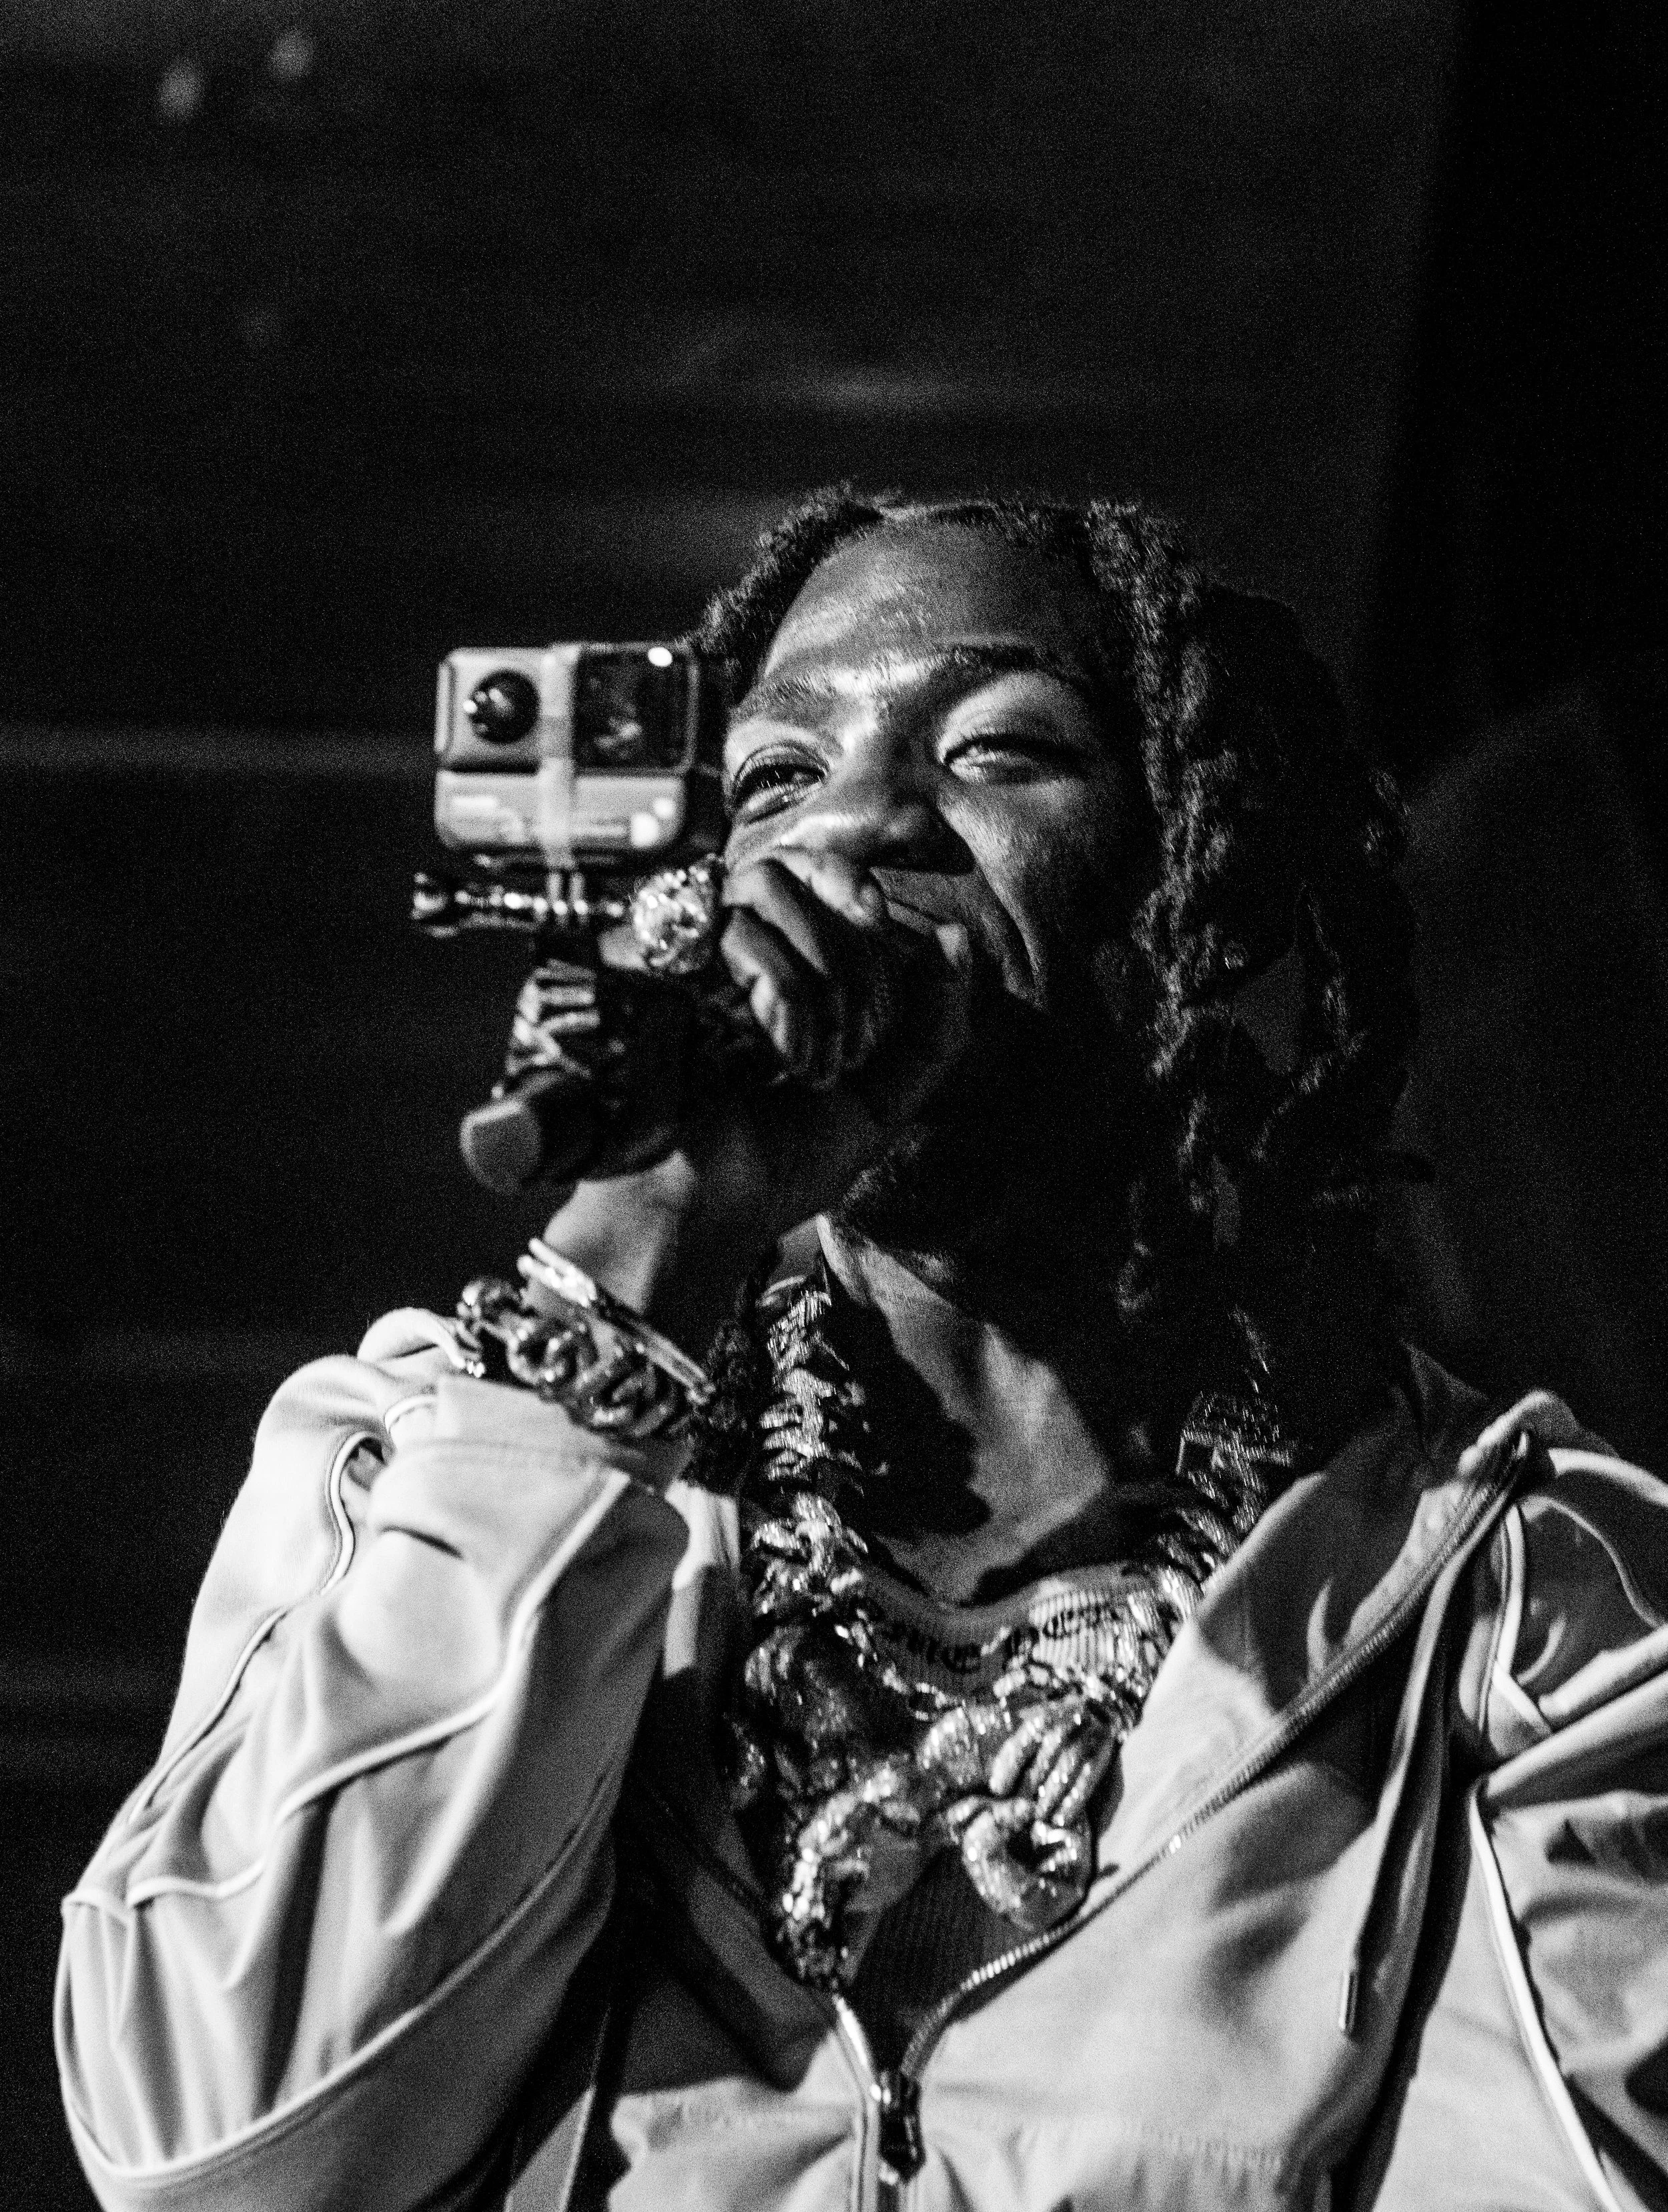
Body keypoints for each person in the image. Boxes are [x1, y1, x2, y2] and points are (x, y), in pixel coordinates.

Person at [57, 494, 1668, 2212]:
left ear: (1211, 893)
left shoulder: (1510, 1607)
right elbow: (232, 2156)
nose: (860, 821)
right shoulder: (419, 1470)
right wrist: (627, 1281)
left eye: (998, 752)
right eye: (776, 775)